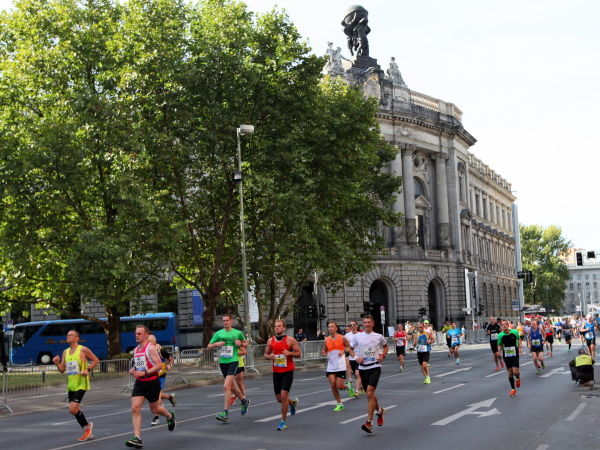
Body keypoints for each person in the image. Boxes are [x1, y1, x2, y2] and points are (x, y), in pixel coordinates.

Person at [126, 325, 176, 448]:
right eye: (135, 333)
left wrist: (145, 372)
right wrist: (133, 369)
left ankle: (169, 416)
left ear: (146, 335)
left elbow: (159, 365)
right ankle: (137, 438)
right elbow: (139, 365)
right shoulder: (136, 350)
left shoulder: (151, 348)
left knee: (155, 410)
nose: (136, 335)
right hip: (140, 382)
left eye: (139, 333)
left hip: (152, 382)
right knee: (135, 408)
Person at [52, 329, 100, 442]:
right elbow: (62, 370)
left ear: (77, 338)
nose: (68, 336)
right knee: (74, 410)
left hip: (81, 383)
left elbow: (95, 360)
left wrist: (88, 369)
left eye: (71, 335)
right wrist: (57, 363)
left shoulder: (83, 349)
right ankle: (87, 427)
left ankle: (87, 427)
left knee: (72, 408)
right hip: (71, 384)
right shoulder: (65, 352)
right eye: (67, 335)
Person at [347, 315, 388, 434]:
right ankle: (379, 411)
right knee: (370, 395)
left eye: (369, 322)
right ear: (363, 324)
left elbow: (385, 346)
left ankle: (369, 422)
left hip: (374, 367)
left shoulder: (378, 336)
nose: (367, 324)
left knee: (369, 393)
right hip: (362, 368)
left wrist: (382, 355)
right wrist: (356, 357)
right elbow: (349, 349)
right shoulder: (358, 336)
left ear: (373, 324)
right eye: (365, 322)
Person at [206, 314, 251, 423]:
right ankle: (244, 401)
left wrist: (240, 343)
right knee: (233, 387)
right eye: (223, 321)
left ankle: (225, 413)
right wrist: (216, 344)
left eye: (227, 320)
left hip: (233, 361)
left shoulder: (237, 333)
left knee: (226, 386)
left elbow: (246, 344)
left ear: (231, 321)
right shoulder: (219, 333)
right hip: (223, 362)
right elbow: (208, 346)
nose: (225, 322)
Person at [264, 319, 302, 431]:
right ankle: (292, 402)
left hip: (287, 371)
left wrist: (289, 353)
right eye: (276, 326)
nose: (277, 328)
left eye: (279, 326)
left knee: (284, 395)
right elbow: (265, 354)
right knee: (279, 399)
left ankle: (283, 421)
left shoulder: (290, 340)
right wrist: (269, 356)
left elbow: (299, 354)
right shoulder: (270, 341)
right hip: (276, 372)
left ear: (284, 328)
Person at [321, 321, 354, 411]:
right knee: (333, 385)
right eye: (329, 327)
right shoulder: (326, 340)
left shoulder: (342, 338)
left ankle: (348, 387)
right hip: (331, 365)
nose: (330, 328)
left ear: (336, 328)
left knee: (339, 386)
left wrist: (343, 351)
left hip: (340, 365)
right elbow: (325, 350)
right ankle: (339, 403)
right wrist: (324, 353)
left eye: (332, 327)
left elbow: (349, 347)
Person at [148, 335, 177, 426]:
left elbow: (171, 359)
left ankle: (156, 418)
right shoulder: (147, 351)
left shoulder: (161, 350)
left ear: (154, 342)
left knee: (158, 396)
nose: (149, 344)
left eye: (150, 343)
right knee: (154, 395)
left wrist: (170, 365)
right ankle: (170, 397)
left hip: (160, 376)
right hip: (151, 377)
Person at [497, 320, 521, 396]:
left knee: (515, 372)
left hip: (514, 354)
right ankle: (513, 390)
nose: (504, 326)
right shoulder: (500, 335)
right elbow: (499, 344)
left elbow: (519, 338)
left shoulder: (515, 332)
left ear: (508, 325)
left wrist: (520, 346)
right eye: (502, 325)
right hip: (506, 355)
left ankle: (517, 377)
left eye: (505, 324)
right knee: (510, 373)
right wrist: (499, 350)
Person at [345, 320, 363, 395]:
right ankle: (354, 382)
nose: (352, 326)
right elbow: (344, 344)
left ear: (357, 326)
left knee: (357, 374)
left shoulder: (361, 335)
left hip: (358, 357)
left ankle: (357, 391)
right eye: (351, 325)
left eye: (354, 324)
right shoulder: (347, 335)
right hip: (351, 356)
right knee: (351, 370)